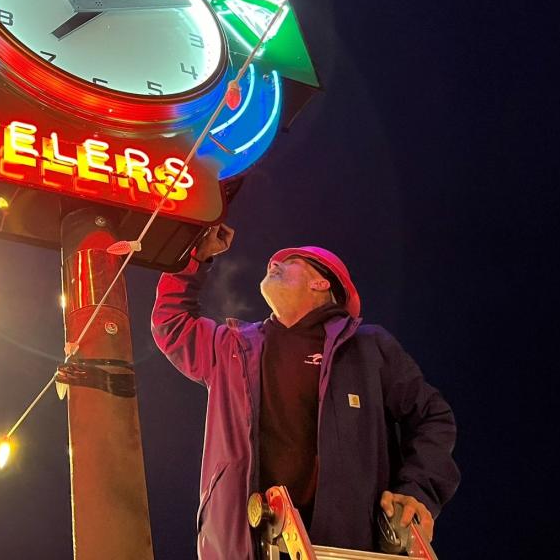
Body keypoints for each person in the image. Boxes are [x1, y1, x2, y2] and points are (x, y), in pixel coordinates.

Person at [151, 224, 459, 559]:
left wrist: (417, 490)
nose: (273, 264)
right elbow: (172, 322)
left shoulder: (367, 348)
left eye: (289, 261)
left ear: (321, 282)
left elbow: (433, 417)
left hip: (343, 547)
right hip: (242, 546)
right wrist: (195, 255)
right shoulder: (233, 349)